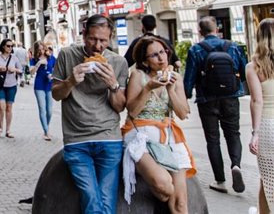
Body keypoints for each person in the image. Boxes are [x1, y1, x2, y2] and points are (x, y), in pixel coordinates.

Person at [52, 14, 129, 214]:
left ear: (110, 39)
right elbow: (56, 94)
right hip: (76, 139)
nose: (97, 46)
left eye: (103, 40)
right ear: (84, 35)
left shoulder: (119, 62)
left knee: (106, 199)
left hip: (109, 138)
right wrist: (71, 81)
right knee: (91, 197)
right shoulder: (67, 55)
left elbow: (120, 106)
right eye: (92, 39)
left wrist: (113, 84)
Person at [121, 35, 194, 213]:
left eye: (163, 52)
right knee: (165, 187)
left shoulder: (175, 77)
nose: (161, 58)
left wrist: (170, 90)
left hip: (169, 136)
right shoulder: (138, 75)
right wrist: (148, 88)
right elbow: (132, 111)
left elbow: (183, 113)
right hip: (140, 135)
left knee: (181, 204)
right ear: (145, 62)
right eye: (154, 55)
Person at [184, 15, 248, 194]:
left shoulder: (196, 49)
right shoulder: (233, 47)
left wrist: (186, 97)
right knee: (233, 134)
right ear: (217, 30)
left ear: (200, 31)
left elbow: (189, 79)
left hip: (207, 100)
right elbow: (243, 73)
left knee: (213, 140)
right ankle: (236, 165)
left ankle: (220, 180)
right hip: (230, 97)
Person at [246, 18, 274, 213]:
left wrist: (255, 133)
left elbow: (257, 101)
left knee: (268, 179)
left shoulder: (253, 66)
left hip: (268, 127)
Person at [0, 38, 22, 138]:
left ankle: (8, 130)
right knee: (1, 106)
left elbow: (21, 70)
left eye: (11, 46)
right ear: (3, 46)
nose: (10, 48)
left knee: (9, 107)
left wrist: (15, 69)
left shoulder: (14, 58)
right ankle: (0, 127)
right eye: (8, 46)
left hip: (11, 85)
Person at [31, 42, 56, 140]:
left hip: (49, 84)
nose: (41, 51)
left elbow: (57, 69)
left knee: (49, 111)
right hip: (39, 85)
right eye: (39, 49)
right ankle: (46, 132)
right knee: (42, 109)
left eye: (43, 48)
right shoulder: (34, 60)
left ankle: (46, 128)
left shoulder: (51, 58)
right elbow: (31, 72)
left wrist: (52, 75)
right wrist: (38, 63)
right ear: (36, 50)